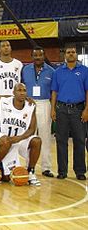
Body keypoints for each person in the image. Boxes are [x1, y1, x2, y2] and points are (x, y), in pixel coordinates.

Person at [51, 45, 88, 180]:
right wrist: (52, 109)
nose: (71, 54)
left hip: (78, 109)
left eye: (73, 52)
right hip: (61, 109)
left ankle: (80, 171)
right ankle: (62, 171)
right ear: (64, 55)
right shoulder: (58, 72)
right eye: (68, 52)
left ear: (76, 54)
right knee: (61, 141)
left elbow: (87, 91)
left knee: (79, 140)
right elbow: (54, 91)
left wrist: (86, 110)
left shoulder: (84, 71)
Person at [0, 83, 41, 186]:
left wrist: (19, 138)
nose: (22, 93)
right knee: (6, 178)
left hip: (20, 140)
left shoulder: (30, 106)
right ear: (13, 92)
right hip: (5, 142)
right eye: (19, 90)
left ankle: (31, 171)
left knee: (37, 141)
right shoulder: (3, 102)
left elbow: (32, 129)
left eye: (24, 91)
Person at [22, 47, 55, 177]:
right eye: (35, 55)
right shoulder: (25, 70)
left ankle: (46, 167)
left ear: (44, 56)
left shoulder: (51, 71)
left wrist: (53, 107)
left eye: (40, 55)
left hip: (44, 103)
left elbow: (54, 92)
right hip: (28, 104)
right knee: (29, 136)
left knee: (45, 136)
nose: (38, 58)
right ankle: (29, 166)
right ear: (32, 56)